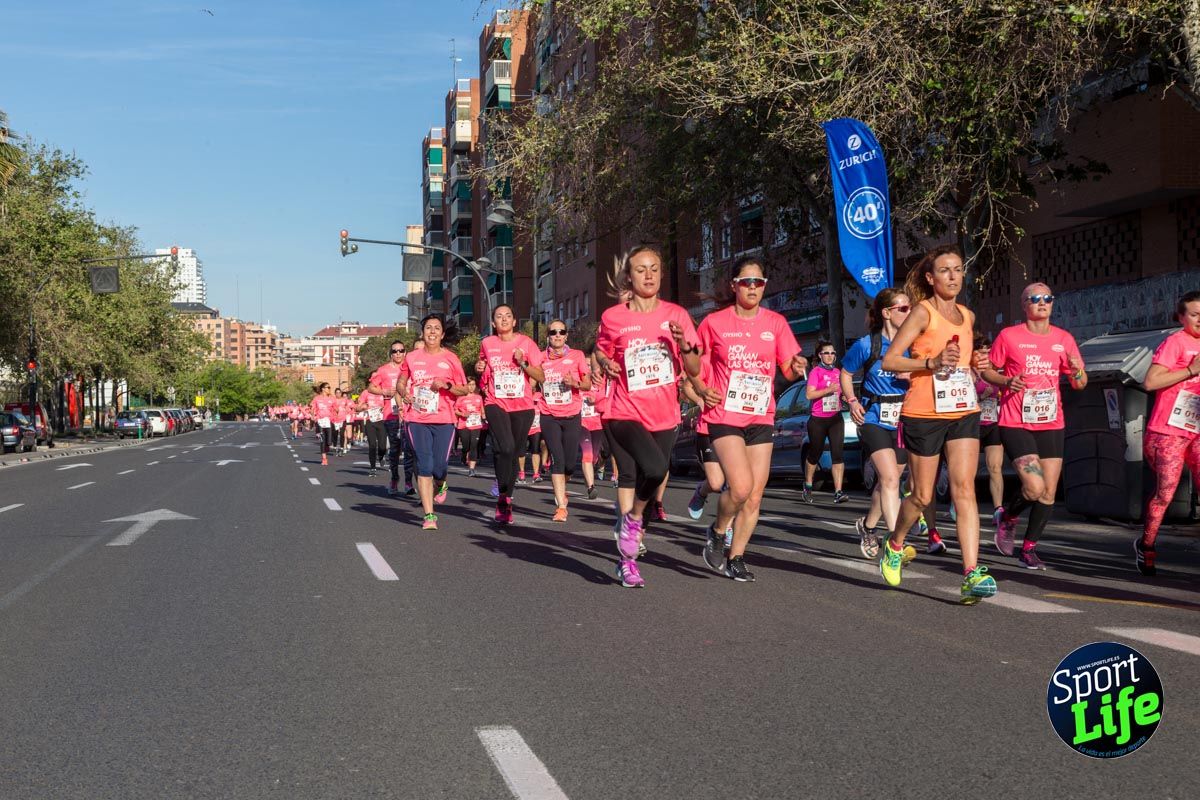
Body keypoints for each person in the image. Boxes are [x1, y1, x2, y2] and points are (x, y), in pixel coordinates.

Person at [877, 245, 996, 603]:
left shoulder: (968, 316)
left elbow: (969, 366)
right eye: (944, 271)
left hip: (962, 410)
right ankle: (895, 543)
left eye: (958, 270)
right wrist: (930, 363)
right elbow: (890, 361)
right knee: (922, 495)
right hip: (924, 413)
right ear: (930, 278)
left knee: (964, 490)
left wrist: (978, 363)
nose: (953, 277)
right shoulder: (921, 313)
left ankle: (971, 572)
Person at [690, 256, 806, 581]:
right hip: (725, 414)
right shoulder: (714, 323)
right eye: (746, 281)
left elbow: (787, 367)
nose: (752, 287)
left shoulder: (775, 323)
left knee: (755, 494)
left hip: (761, 415)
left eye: (758, 282)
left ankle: (736, 556)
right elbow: (693, 366)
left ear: (764, 286)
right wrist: (701, 388)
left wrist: (796, 368)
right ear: (734, 285)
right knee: (739, 488)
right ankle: (717, 530)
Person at [595, 245, 702, 588]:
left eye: (654, 268)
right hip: (623, 410)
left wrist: (684, 344)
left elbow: (694, 367)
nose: (649, 275)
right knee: (651, 470)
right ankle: (631, 536)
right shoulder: (614, 317)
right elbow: (600, 351)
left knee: (653, 480)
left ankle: (631, 538)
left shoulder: (678, 315)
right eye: (641, 269)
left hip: (663, 413)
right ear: (629, 275)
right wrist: (606, 363)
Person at [982, 283, 1086, 569]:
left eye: (1048, 298)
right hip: (1016, 421)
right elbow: (988, 370)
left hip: (1051, 422)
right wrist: (1006, 381)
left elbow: (1079, 383)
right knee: (1034, 485)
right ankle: (1009, 517)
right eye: (1035, 298)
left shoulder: (1064, 339)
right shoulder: (1009, 336)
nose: (1043, 303)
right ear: (1024, 304)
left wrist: (1077, 370)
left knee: (1049, 491)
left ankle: (1028, 549)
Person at [840, 288, 912, 558]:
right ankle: (896, 545)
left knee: (888, 482)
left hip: (902, 419)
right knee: (891, 478)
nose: (908, 312)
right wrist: (852, 401)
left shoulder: (913, 344)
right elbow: (845, 374)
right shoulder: (866, 345)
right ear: (886, 313)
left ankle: (868, 526)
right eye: (902, 308)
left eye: (910, 308)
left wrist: (911, 377)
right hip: (873, 417)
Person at [1135, 290, 1200, 576]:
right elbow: (1150, 382)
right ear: (1182, 317)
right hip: (1167, 431)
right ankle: (1146, 545)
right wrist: (1190, 370)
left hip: (1197, 431)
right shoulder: (1175, 342)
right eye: (1195, 315)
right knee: (1166, 492)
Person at [392, 314, 469, 530]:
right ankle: (429, 515)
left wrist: (445, 385)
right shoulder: (412, 357)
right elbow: (401, 381)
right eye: (428, 328)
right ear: (422, 332)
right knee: (424, 464)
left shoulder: (451, 359)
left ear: (443, 334)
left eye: (436, 328)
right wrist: (403, 392)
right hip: (416, 418)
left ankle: (441, 483)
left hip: (444, 418)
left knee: (439, 466)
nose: (432, 332)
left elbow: (464, 389)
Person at [476, 304, 546, 524]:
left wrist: (523, 362)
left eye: (508, 316)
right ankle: (503, 495)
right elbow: (482, 373)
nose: (504, 319)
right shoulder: (487, 343)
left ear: (515, 321)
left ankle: (505, 498)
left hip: (522, 406)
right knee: (504, 447)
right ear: (493, 322)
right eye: (499, 316)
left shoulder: (527, 343)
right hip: (495, 402)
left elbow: (541, 376)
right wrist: (479, 369)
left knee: (514, 452)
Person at [538, 320, 592, 521]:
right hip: (549, 414)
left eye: (562, 332)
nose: (558, 335)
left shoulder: (577, 356)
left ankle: (563, 485)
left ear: (567, 336)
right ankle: (561, 506)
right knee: (558, 460)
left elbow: (587, 384)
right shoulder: (540, 357)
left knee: (570, 464)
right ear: (548, 336)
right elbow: (532, 378)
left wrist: (574, 382)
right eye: (553, 332)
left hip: (571, 414)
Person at [365, 339, 416, 496]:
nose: (398, 353)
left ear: (405, 352)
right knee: (395, 449)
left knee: (409, 450)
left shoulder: (411, 368)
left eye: (401, 350)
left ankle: (408, 482)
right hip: (391, 414)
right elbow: (371, 387)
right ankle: (394, 479)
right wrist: (384, 392)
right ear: (391, 353)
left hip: (410, 413)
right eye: (395, 351)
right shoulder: (384, 370)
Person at [802, 340, 849, 504]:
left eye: (833, 353)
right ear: (820, 355)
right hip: (818, 420)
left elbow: (843, 393)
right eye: (826, 353)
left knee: (838, 454)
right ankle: (808, 485)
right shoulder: (816, 372)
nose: (830, 356)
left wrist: (845, 397)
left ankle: (838, 492)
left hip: (835, 418)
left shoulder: (838, 372)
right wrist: (828, 390)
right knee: (815, 453)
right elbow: (809, 395)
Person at [974, 333, 1006, 522]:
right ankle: (961, 503)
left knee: (995, 467)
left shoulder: (995, 371)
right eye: (981, 351)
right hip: (971, 425)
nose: (985, 355)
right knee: (968, 472)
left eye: (988, 351)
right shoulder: (968, 372)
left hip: (993, 422)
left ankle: (998, 509)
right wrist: (980, 397)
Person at [358, 376, 389, 477]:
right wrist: (362, 407)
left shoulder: (383, 391)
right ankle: (372, 468)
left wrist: (385, 408)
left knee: (382, 446)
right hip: (370, 421)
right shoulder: (366, 392)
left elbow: (389, 404)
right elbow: (358, 406)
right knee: (372, 445)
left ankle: (381, 455)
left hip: (381, 421)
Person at [454, 378, 485, 477]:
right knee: (466, 445)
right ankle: (464, 453)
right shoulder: (460, 398)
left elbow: (482, 410)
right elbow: (455, 410)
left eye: (473, 384)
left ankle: (471, 469)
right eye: (469, 384)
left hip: (476, 424)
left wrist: (484, 417)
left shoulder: (479, 397)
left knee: (474, 445)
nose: (471, 387)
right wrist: (462, 414)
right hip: (464, 424)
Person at [309, 382, 336, 467]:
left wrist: (337, 412)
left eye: (329, 387)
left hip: (329, 421)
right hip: (320, 421)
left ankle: (327, 447)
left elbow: (336, 408)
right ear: (323, 389)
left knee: (329, 442)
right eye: (328, 387)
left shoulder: (332, 398)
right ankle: (324, 459)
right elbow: (312, 408)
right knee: (322, 440)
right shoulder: (317, 398)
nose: (329, 389)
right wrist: (313, 416)